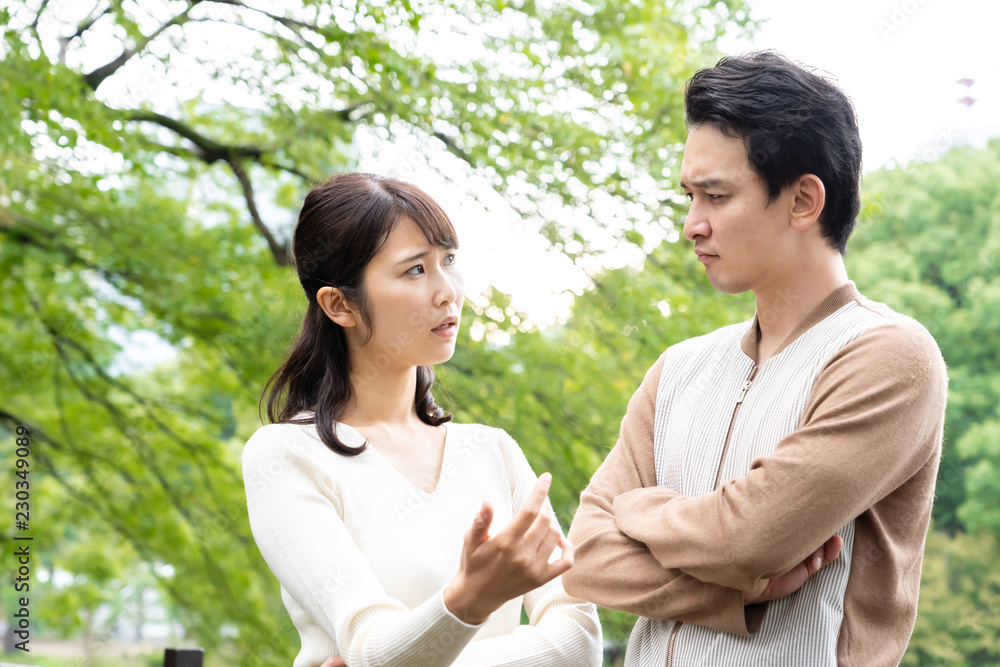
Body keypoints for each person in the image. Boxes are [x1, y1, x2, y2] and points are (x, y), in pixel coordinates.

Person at [563, 51, 948, 666]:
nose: (692, 225)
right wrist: (736, 595)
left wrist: (634, 509)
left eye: (715, 196)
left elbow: (748, 538)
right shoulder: (678, 368)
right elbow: (583, 558)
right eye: (690, 196)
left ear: (802, 201)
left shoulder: (889, 356)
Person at [242, 173, 602, 667]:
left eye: (448, 260)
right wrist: (469, 600)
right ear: (339, 304)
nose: (448, 291)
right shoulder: (288, 455)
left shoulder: (492, 450)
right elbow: (371, 646)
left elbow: (579, 639)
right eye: (414, 270)